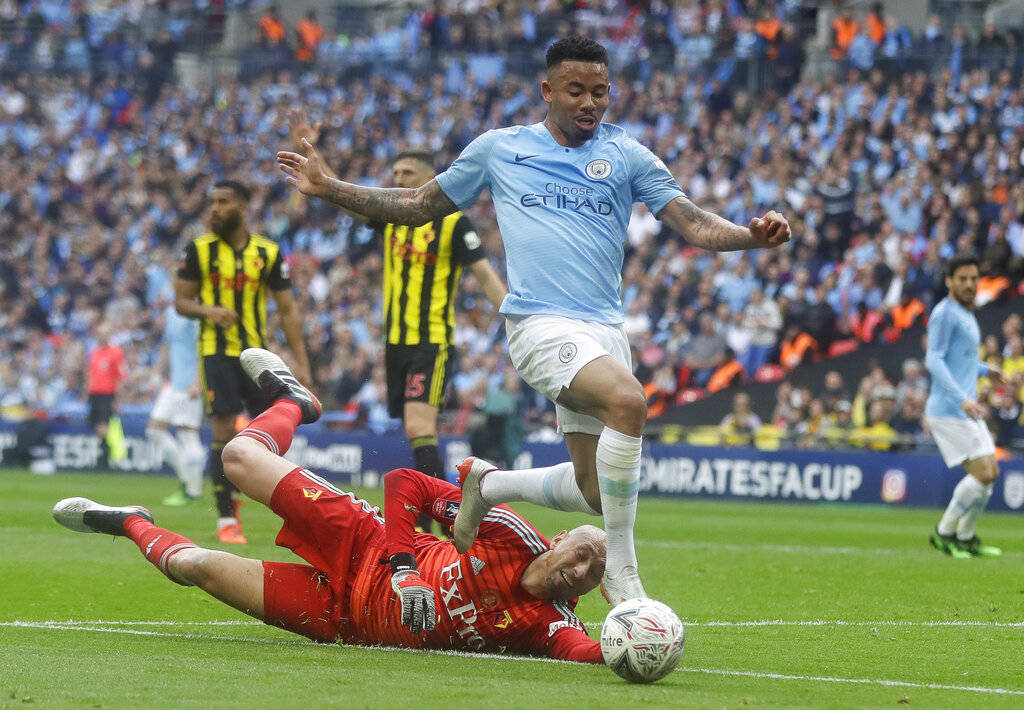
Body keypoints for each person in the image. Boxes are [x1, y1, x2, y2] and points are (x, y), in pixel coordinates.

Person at [277, 35, 790, 604]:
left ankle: (488, 484)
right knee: (629, 402)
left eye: (600, 92)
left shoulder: (626, 154)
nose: (590, 102)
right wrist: (329, 188)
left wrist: (749, 236)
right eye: (576, 91)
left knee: (597, 492)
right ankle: (623, 574)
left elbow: (691, 222)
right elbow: (418, 205)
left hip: (604, 330)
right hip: (538, 324)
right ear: (547, 91)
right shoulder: (500, 149)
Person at [52, 348, 605, 662]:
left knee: (193, 566)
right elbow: (404, 482)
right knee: (239, 456)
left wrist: (645, 633)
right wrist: (406, 568)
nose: (577, 570)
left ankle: (129, 522)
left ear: (592, 591)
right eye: (581, 553)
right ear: (558, 541)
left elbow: (596, 655)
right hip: (360, 540)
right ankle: (294, 402)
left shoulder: (549, 626)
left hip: (341, 618)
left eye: (590, 574)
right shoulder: (505, 528)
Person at [288, 111, 507, 535]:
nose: (397, 177)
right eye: (394, 171)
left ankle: (436, 520)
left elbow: (484, 276)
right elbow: (342, 194)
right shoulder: (390, 218)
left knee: (419, 425)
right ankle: (437, 516)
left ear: (428, 177)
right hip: (396, 343)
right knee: (414, 430)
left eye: (406, 172)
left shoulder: (452, 223)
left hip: (432, 342)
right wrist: (309, 153)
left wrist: (514, 318)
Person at [174, 180, 311, 545]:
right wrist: (209, 310)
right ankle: (225, 519)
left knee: (274, 431)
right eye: (212, 202)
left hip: (256, 356)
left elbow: (286, 308)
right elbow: (181, 302)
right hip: (215, 352)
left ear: (243, 206)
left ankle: (288, 508)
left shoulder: (267, 252)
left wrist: (301, 361)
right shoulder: (198, 249)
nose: (215, 208)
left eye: (224, 202)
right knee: (221, 429)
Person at [925, 254, 1005, 558]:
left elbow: (963, 359)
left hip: (965, 408)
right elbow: (934, 359)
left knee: (991, 472)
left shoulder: (967, 314)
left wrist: (985, 370)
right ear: (950, 281)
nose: (970, 284)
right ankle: (945, 533)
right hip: (949, 409)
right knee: (984, 473)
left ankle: (966, 537)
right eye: (963, 279)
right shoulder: (944, 313)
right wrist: (962, 398)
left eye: (974, 278)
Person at [147, 299, 205, 506]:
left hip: (190, 385)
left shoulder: (198, 315)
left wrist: (198, 382)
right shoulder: (172, 312)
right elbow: (167, 344)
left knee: (187, 434)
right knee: (154, 430)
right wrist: (157, 370)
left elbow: (204, 351)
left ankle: (193, 489)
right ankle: (187, 480)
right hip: (174, 384)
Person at [86, 322, 125, 469]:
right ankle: (103, 455)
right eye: (99, 334)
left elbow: (119, 376)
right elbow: (90, 373)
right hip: (94, 393)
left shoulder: (115, 353)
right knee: (96, 424)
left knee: (103, 425)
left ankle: (104, 457)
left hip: (107, 393)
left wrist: (117, 398)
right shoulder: (94, 352)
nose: (101, 336)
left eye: (104, 334)